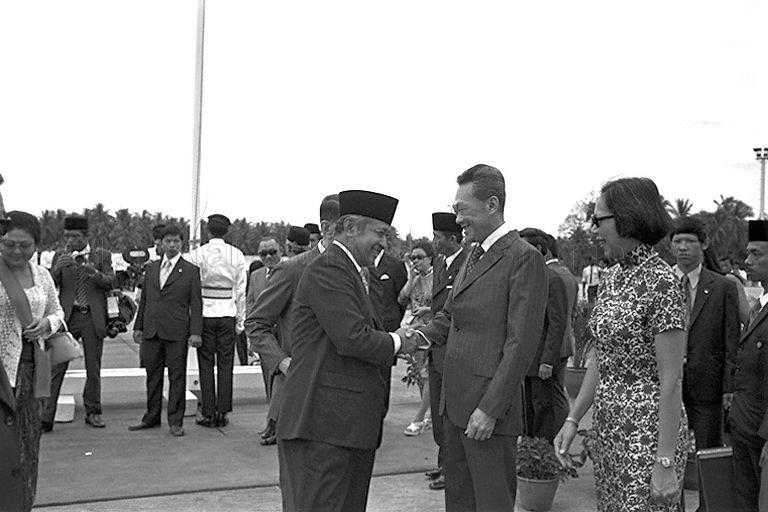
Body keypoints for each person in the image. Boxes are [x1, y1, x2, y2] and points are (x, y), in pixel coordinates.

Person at [276, 189, 419, 512]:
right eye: (379, 233)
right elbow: (354, 338)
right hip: (323, 429)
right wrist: (400, 342)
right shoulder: (330, 268)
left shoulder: (353, 270)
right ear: (351, 226)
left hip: (344, 429)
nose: (384, 243)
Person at [417, 164, 548, 512]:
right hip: (455, 406)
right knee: (459, 503)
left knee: (490, 504)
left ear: (492, 205)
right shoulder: (472, 254)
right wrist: (413, 338)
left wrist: (489, 410)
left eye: (462, 209)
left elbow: (520, 345)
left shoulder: (523, 258)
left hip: (487, 414)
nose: (457, 218)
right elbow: (450, 317)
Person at [554, 177, 688, 511]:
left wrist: (665, 462)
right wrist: (573, 419)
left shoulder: (662, 282)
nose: (593, 229)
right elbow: (603, 355)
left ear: (628, 218)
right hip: (608, 428)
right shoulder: (613, 278)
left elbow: (671, 379)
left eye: (599, 220)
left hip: (648, 433)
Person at [245, 194, 340, 447]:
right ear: (326, 228)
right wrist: (282, 361)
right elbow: (256, 324)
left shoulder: (356, 270)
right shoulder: (293, 270)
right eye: (347, 227)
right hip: (301, 392)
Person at [0, 211, 64, 511]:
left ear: (36, 245)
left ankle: (22, 504)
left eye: (24, 245)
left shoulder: (42, 275)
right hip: (2, 374)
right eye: (9, 244)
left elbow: (57, 311)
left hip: (33, 370)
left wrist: (47, 324)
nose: (16, 251)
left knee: (27, 447)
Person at [669, 217, 740, 460]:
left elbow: (732, 340)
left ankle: (706, 499)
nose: (683, 247)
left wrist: (729, 386)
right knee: (667, 456)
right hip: (665, 384)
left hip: (707, 386)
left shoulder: (722, 287)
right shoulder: (660, 285)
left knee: (707, 457)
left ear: (704, 244)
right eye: (677, 241)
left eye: (690, 241)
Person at [42, 215, 116, 431]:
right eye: (67, 236)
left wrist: (93, 272)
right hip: (68, 318)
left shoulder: (102, 255)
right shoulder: (60, 255)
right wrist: (56, 269)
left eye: (75, 236)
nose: (70, 241)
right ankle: (47, 416)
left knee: (93, 367)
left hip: (92, 317)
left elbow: (111, 281)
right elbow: (49, 285)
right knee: (57, 367)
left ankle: (93, 412)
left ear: (86, 236)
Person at [129, 225, 203, 437]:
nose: (172, 245)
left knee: (177, 377)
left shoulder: (190, 271)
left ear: (182, 244)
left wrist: (195, 332)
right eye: (168, 241)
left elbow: (196, 305)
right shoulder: (151, 268)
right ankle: (151, 417)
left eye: (176, 241)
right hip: (152, 331)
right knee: (152, 376)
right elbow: (145, 301)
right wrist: (138, 326)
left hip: (177, 331)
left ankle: (175, 421)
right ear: (160, 243)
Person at [186, 214, 248, 428]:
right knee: (225, 364)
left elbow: (189, 290)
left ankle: (209, 411)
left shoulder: (196, 255)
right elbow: (241, 291)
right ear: (227, 231)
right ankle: (223, 411)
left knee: (206, 364)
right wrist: (241, 321)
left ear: (208, 231)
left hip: (204, 314)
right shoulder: (237, 255)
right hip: (227, 313)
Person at [423, 211, 467, 491]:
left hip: (452, 348)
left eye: (438, 237)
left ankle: (451, 470)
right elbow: (441, 304)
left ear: (452, 238)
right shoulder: (440, 263)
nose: (434, 241)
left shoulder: (468, 262)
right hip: (436, 347)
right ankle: (443, 463)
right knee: (439, 415)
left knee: (450, 415)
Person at [730, 220, 768, 511]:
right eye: (747, 253)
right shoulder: (760, 305)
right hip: (745, 426)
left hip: (761, 433)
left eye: (757, 254)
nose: (747, 261)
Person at [520, 227, 570, 443]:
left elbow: (556, 324)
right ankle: (530, 453)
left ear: (539, 249)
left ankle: (543, 453)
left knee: (543, 410)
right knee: (528, 410)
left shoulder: (552, 279)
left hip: (542, 359)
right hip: (526, 358)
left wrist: (547, 361)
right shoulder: (527, 276)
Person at [246, 234, 283, 442]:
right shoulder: (256, 275)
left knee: (281, 384)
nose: (268, 256)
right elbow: (251, 304)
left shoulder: (290, 271)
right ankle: (271, 422)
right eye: (263, 253)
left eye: (273, 252)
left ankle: (276, 425)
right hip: (264, 338)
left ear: (281, 252)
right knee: (269, 382)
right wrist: (253, 339)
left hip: (284, 337)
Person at [398, 241, 434, 437]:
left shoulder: (436, 277)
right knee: (420, 374)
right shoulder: (415, 279)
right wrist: (411, 277)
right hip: (416, 329)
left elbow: (443, 303)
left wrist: (427, 309)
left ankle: (419, 418)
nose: (416, 261)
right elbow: (402, 298)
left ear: (430, 258)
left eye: (420, 257)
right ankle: (428, 414)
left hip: (432, 329)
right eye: (413, 258)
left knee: (428, 374)